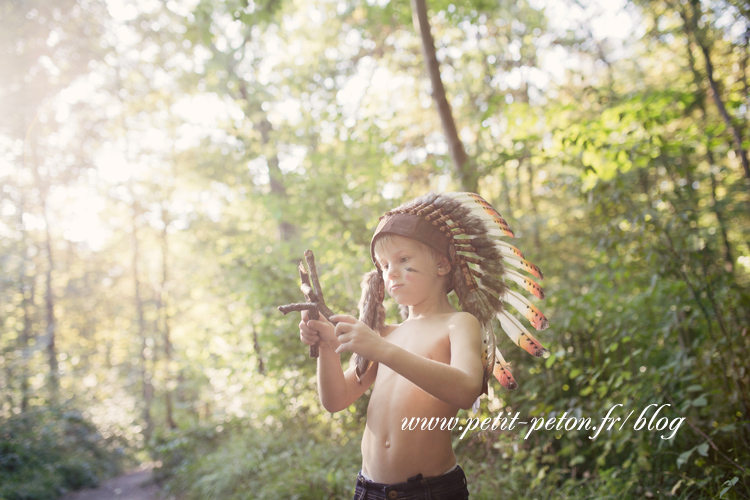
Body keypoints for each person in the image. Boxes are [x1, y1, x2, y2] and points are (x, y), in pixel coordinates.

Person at [298, 192, 549, 499]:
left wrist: (381, 350)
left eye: (404, 260)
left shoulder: (458, 324)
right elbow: (335, 400)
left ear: (443, 265)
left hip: (430, 491)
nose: (390, 272)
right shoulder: (387, 334)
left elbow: (466, 388)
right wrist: (326, 347)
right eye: (384, 265)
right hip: (368, 490)